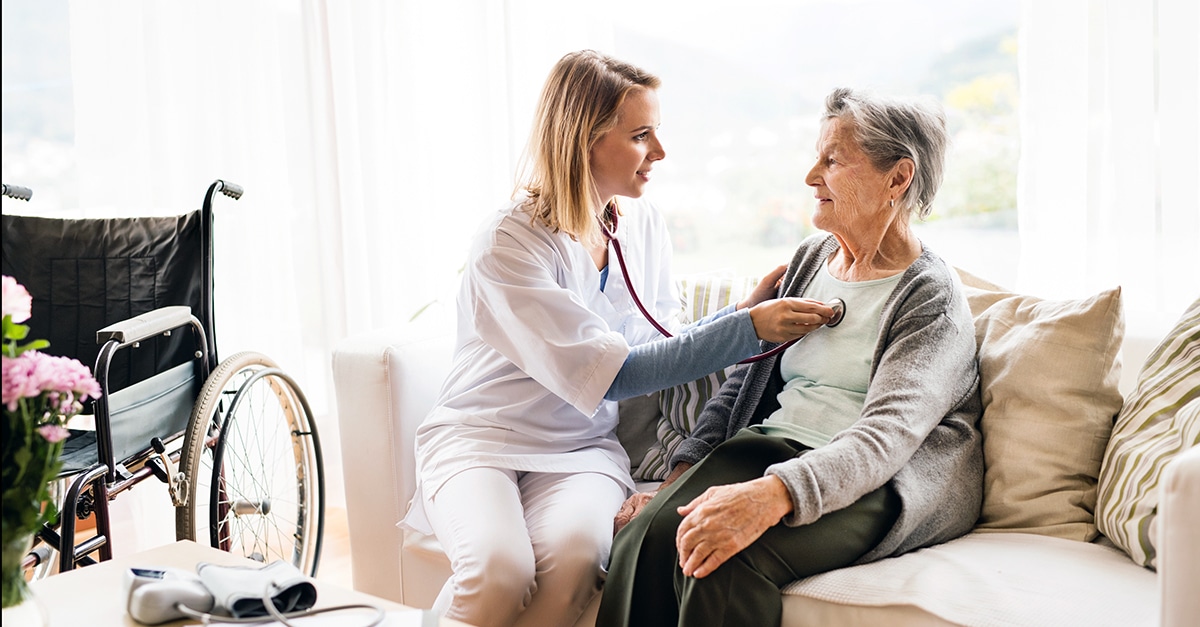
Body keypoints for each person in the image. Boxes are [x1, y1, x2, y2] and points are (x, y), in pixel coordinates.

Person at [401, 50, 836, 627]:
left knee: (576, 565)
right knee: (497, 573)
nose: (659, 152)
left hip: (580, 449)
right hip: (483, 438)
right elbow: (621, 372)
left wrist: (741, 312)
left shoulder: (640, 223)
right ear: (583, 140)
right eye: (641, 135)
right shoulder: (510, 244)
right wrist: (747, 329)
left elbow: (657, 340)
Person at [596, 88, 985, 627]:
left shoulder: (930, 297)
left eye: (832, 160)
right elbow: (745, 383)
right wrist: (672, 487)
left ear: (897, 178)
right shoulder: (811, 258)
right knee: (645, 536)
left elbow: (887, 436)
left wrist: (772, 495)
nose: (810, 176)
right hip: (774, 448)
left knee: (717, 558)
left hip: (878, 479)